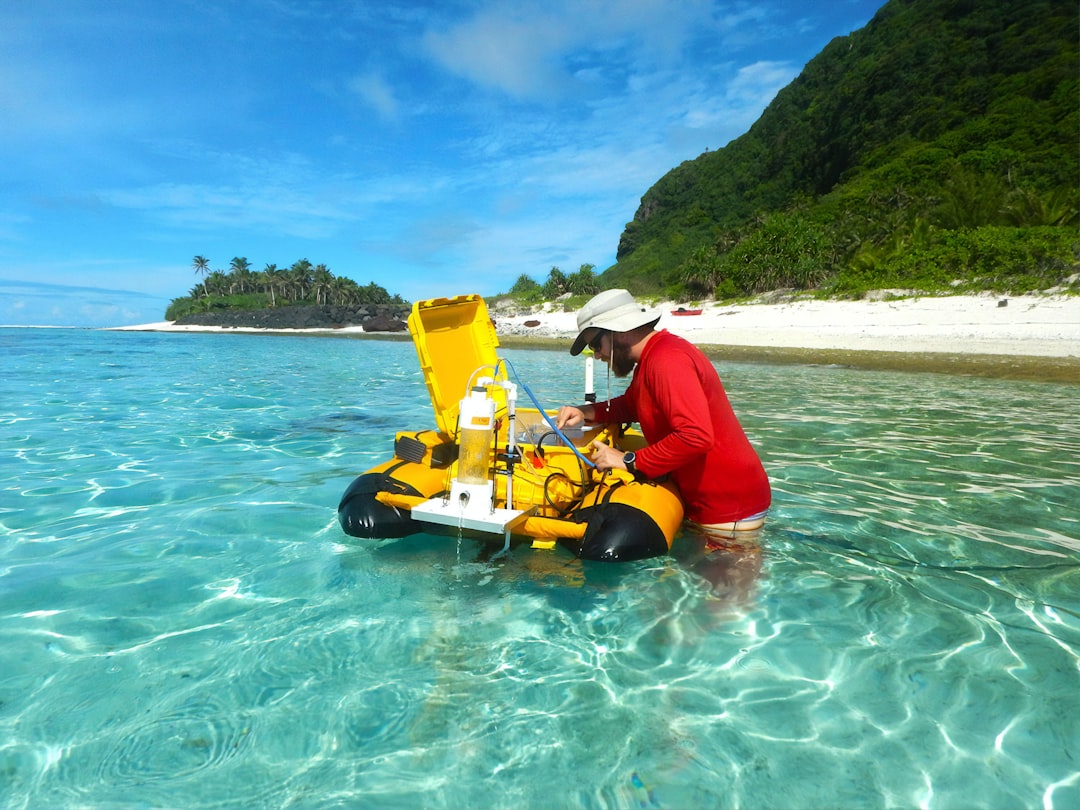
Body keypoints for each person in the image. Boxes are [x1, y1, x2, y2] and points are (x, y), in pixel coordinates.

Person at [555, 289, 771, 547]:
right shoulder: (652, 359)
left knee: (727, 588)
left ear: (618, 331)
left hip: (729, 508)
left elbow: (696, 436)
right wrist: (585, 411)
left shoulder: (667, 360)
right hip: (713, 505)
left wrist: (628, 460)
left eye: (595, 345)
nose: (597, 355)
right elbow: (632, 404)